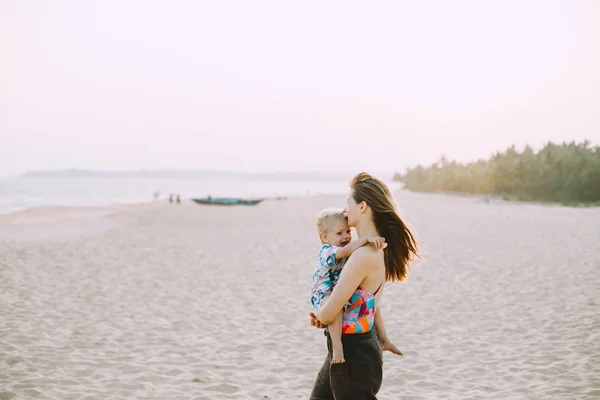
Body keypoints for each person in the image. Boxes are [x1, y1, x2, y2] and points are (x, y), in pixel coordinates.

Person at [309, 172, 420, 399]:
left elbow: (329, 312)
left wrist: (322, 315)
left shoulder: (364, 254)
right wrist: (325, 317)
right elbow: (359, 304)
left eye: (347, 202)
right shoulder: (374, 248)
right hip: (356, 346)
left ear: (362, 207)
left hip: (354, 353)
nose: (344, 209)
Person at [311, 208, 401, 365]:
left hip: (337, 288)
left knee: (374, 306)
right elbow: (346, 251)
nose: (346, 236)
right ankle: (338, 347)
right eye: (339, 233)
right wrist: (365, 240)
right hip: (323, 292)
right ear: (325, 237)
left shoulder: (344, 248)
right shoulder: (327, 250)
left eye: (348, 231)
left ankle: (384, 339)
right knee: (336, 310)